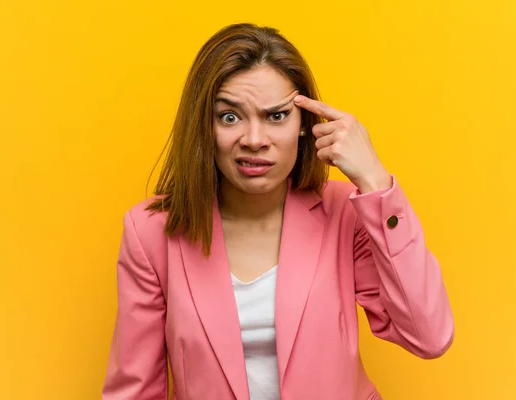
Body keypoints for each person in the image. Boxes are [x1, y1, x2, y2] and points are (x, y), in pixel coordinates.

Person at [102, 23, 454, 400]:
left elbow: (428, 335)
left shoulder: (345, 214)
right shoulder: (152, 232)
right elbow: (135, 390)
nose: (254, 140)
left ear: (304, 124)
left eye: (276, 116)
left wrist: (375, 182)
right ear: (205, 124)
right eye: (230, 117)